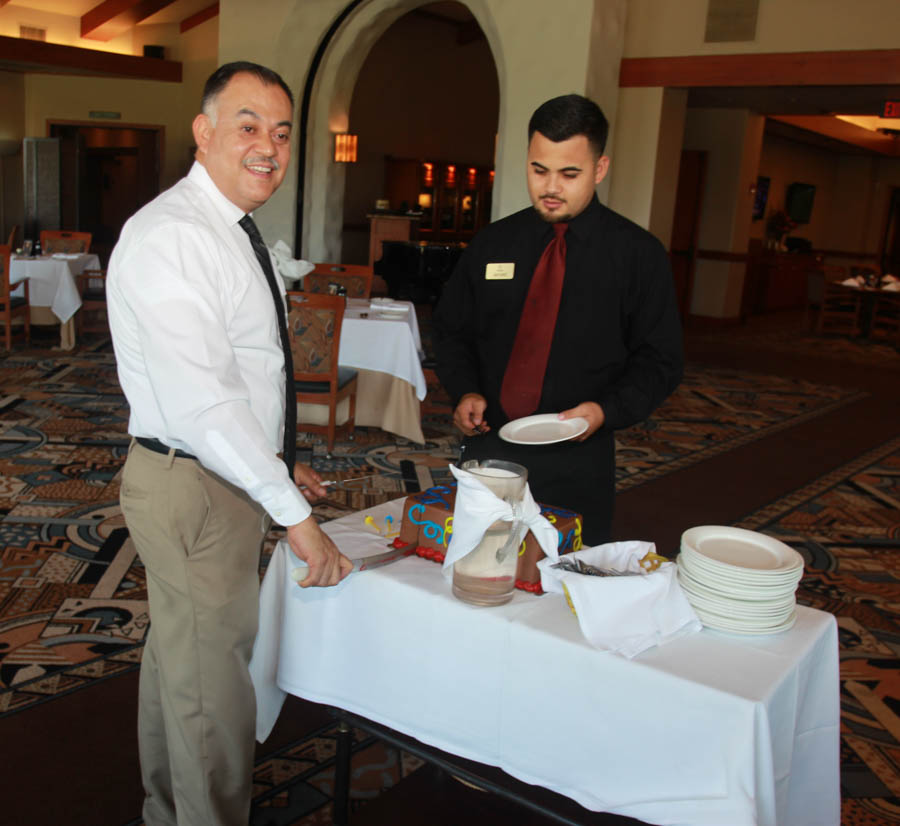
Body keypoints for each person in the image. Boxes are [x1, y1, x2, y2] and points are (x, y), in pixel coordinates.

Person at [107, 61, 352, 826]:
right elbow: (206, 405)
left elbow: (240, 379)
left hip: (216, 476)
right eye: (248, 127)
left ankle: (165, 811)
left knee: (182, 662)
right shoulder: (173, 236)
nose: (268, 148)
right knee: (212, 683)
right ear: (204, 132)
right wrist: (295, 518)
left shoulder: (228, 229)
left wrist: (278, 466)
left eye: (281, 133)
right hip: (194, 484)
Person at [433, 94, 683, 545]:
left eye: (569, 174)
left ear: (599, 169)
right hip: (491, 448)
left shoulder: (638, 256)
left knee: (563, 588)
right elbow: (452, 330)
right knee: (479, 567)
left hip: (578, 458)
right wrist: (465, 388)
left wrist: (605, 411)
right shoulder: (494, 244)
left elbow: (660, 360)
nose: (550, 187)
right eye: (538, 169)